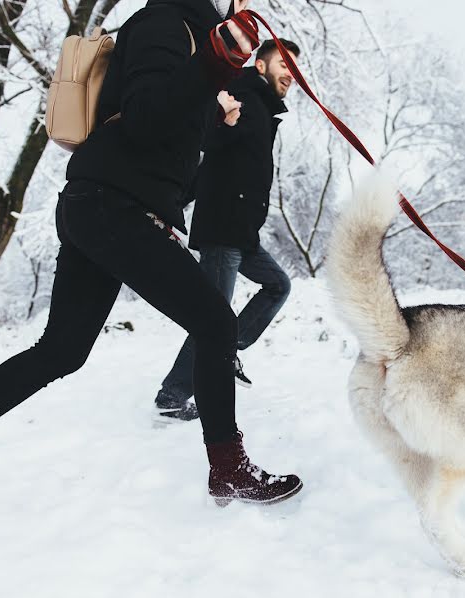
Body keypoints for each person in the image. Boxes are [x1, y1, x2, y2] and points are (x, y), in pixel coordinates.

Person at [0, 0, 303, 518]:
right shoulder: (166, 23)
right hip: (113, 208)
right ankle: (228, 466)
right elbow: (143, 118)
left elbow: (172, 143)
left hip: (102, 207)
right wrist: (213, 65)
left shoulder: (193, 40)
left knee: (63, 350)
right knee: (216, 324)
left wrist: (220, 121)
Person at [155, 38, 301, 421]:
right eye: (284, 64)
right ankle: (173, 395)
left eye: (295, 69)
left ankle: (227, 347)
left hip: (242, 233)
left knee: (277, 286)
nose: (291, 74)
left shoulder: (262, 107)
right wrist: (224, 118)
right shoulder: (241, 94)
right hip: (223, 230)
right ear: (262, 66)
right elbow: (209, 141)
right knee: (213, 319)